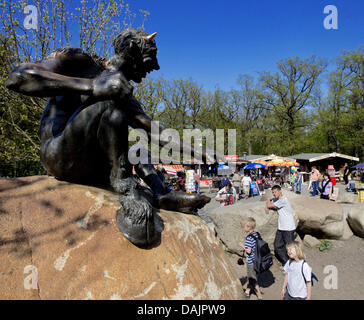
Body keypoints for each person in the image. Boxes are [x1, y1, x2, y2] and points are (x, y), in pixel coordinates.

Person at [265, 185, 296, 266]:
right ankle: (287, 263)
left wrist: (268, 201)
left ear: (280, 191)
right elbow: (270, 203)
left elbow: (269, 205)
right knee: (277, 246)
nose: (274, 194)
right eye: (273, 193)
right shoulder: (277, 199)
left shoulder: (283, 200)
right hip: (281, 227)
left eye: (275, 192)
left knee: (290, 248)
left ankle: (295, 264)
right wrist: (268, 204)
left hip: (288, 227)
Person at [238, 217, 263, 300]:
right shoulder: (256, 234)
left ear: (249, 227)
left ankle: (259, 295)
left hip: (251, 262)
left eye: (244, 226)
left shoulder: (249, 238)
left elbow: (248, 251)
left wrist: (242, 245)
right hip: (257, 260)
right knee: (252, 277)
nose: (243, 228)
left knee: (252, 279)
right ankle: (248, 291)